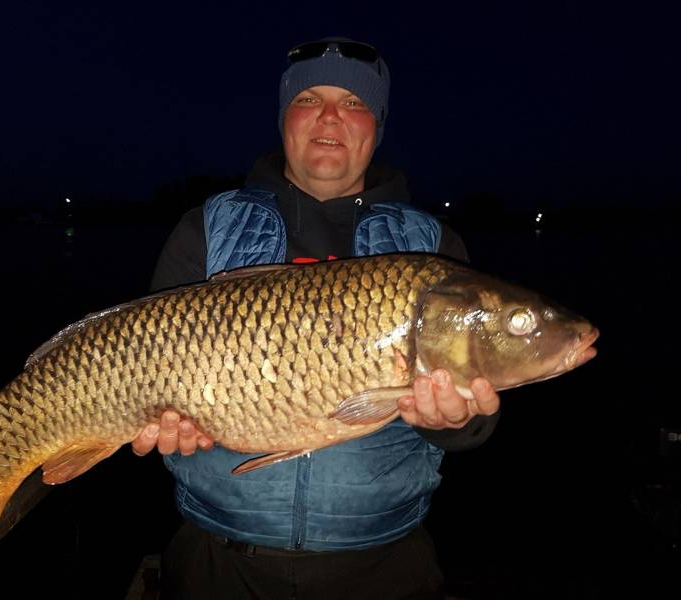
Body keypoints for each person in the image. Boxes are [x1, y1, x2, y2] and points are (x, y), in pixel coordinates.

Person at [132, 38, 501, 600]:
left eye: (354, 103)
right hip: (219, 562)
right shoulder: (207, 228)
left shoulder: (431, 248)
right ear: (284, 118)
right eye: (309, 98)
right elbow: (144, 370)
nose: (331, 116)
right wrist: (165, 423)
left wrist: (456, 422)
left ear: (375, 126)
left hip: (383, 566)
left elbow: (473, 423)